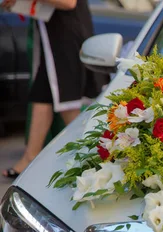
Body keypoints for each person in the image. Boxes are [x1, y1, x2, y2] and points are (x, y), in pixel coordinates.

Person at [1, 0, 108, 178]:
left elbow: (68, 3)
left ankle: (91, 158)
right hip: (53, 36)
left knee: (68, 100)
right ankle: (31, 156)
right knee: (42, 93)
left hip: (66, 37)